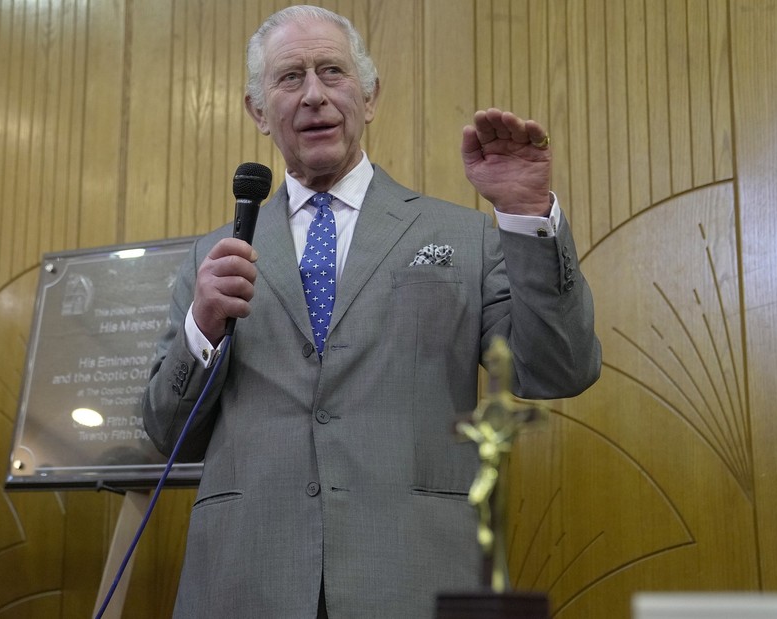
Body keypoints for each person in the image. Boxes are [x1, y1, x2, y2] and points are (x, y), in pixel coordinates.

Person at [142, 5, 601, 618]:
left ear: (370, 95)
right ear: (257, 111)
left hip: (413, 572)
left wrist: (526, 217)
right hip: (244, 579)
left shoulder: (464, 237)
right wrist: (202, 330)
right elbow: (166, 432)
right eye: (289, 78)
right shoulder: (212, 258)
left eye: (332, 72)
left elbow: (561, 370)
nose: (313, 95)